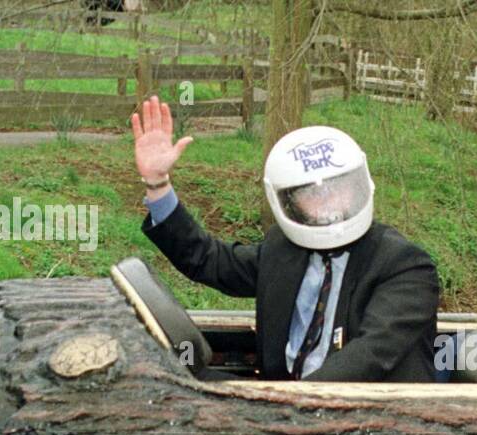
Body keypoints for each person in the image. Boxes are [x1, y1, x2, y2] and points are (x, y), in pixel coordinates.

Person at [131, 95, 439, 382]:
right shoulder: (283, 248)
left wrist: (281, 405)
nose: (330, 203)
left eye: (338, 188)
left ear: (359, 185)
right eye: (313, 194)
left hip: (377, 422)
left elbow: (368, 356)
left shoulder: (405, 266)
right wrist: (158, 184)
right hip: (283, 412)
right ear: (290, 202)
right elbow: (209, 260)